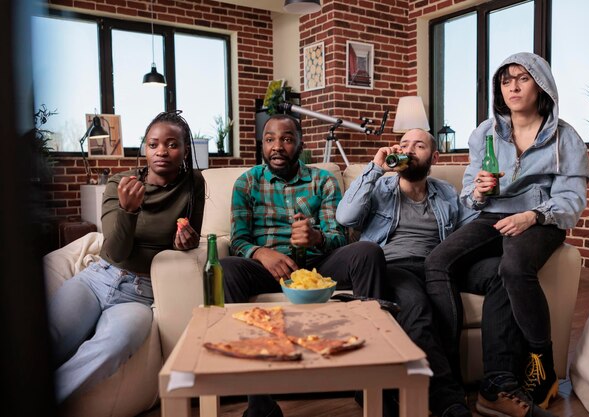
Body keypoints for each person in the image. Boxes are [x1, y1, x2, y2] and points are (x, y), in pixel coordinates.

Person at [424, 52, 589, 416]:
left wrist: (532, 215)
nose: (513, 87)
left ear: (541, 84)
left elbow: (571, 201)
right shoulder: (485, 132)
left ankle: (538, 366)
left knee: (513, 266)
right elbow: (469, 193)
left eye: (523, 78)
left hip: (541, 220)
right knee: (437, 261)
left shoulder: (566, 138)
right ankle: (445, 379)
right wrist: (480, 192)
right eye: (506, 80)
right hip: (492, 215)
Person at [336, 128, 524, 417]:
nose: (410, 150)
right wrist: (375, 169)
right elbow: (346, 217)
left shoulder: (446, 193)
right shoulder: (379, 188)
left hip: (441, 266)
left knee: (501, 272)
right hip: (395, 267)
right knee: (418, 309)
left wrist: (480, 197)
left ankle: (498, 381)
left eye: (419, 145)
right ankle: (448, 400)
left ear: (433, 156)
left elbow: (471, 229)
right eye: (404, 144)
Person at [222, 114, 386, 417]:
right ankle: (260, 404)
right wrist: (260, 253)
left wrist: (316, 237)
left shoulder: (321, 180)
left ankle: (371, 387)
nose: (277, 146)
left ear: (300, 143)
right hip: (269, 269)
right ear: (262, 143)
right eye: (270, 139)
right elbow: (238, 240)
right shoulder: (247, 182)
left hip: (318, 266)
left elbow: (339, 237)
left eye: (286, 139)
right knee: (226, 267)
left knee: (367, 251)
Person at [47, 111, 206, 403]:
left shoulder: (193, 183)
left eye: (172, 144)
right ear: (144, 148)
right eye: (153, 144)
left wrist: (188, 243)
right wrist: (128, 211)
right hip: (97, 279)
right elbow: (116, 251)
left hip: (141, 295)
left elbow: (191, 238)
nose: (161, 151)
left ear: (185, 150)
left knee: (115, 345)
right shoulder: (120, 184)